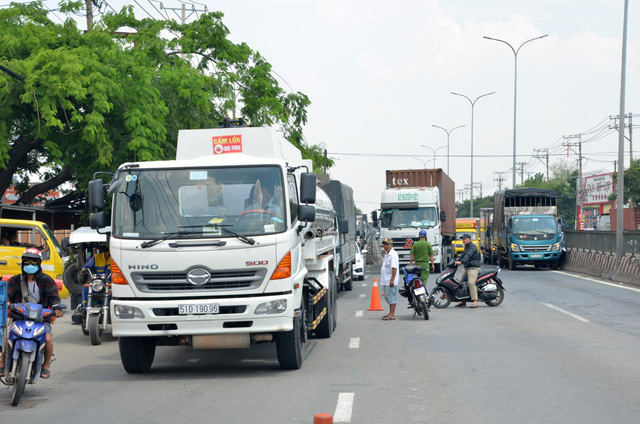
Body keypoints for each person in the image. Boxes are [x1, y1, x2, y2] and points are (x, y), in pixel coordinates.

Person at [0, 248, 62, 378]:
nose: (30, 266)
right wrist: (8, 304)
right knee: (9, 337)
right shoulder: (15, 281)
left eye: (33, 263)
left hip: (41, 319)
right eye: (27, 263)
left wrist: (57, 308)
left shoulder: (47, 281)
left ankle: (45, 365)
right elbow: (7, 296)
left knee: (48, 339)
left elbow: (55, 298)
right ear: (22, 264)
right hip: (19, 317)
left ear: (39, 264)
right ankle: (2, 363)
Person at [455, 233, 482, 308]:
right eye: (462, 239)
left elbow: (468, 255)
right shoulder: (467, 247)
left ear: (469, 239)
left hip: (473, 268)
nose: (463, 240)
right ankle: (463, 301)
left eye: (464, 239)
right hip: (468, 268)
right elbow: (463, 255)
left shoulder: (472, 247)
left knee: (471, 282)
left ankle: (475, 301)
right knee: (461, 284)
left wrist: (461, 261)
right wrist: (456, 260)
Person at [380, 238, 399, 320]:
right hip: (386, 280)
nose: (385, 246)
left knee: (391, 297)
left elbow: (394, 268)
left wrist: (392, 280)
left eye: (387, 244)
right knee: (388, 296)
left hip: (390, 280)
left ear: (391, 245)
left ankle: (392, 314)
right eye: (384, 245)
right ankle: (390, 313)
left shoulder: (393, 255)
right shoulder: (387, 254)